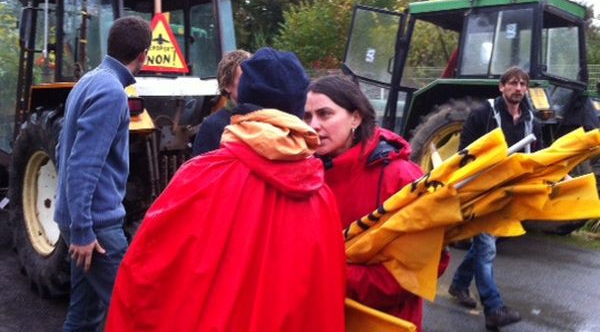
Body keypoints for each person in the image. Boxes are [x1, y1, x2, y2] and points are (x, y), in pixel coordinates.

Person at [106, 47, 345, 332]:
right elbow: (324, 301)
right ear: (297, 110)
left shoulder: (198, 177)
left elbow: (144, 276)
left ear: (242, 97)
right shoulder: (320, 196)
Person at [304, 75, 449, 331]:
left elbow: (428, 263)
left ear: (355, 118)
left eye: (325, 114)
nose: (313, 125)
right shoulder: (306, 174)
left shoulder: (402, 177)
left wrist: (333, 276)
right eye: (307, 116)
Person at [54, 16, 152, 331]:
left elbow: (61, 151)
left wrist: (73, 217)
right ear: (143, 55)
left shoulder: (87, 81)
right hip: (96, 231)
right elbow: (83, 163)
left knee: (83, 317)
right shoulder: (111, 92)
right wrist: (83, 230)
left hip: (77, 221)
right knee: (136, 310)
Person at [448, 66, 543, 330]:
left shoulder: (531, 120)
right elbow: (464, 150)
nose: (519, 89)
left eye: (523, 84)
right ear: (502, 87)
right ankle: (493, 307)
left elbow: (539, 154)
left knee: (484, 244)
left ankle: (458, 285)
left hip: (509, 192)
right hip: (483, 190)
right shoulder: (484, 114)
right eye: (513, 83)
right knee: (487, 246)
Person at [191, 49, 251, 156]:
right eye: (244, 78)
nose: (252, 84)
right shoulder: (213, 127)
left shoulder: (268, 119)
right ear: (227, 85)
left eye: (253, 77)